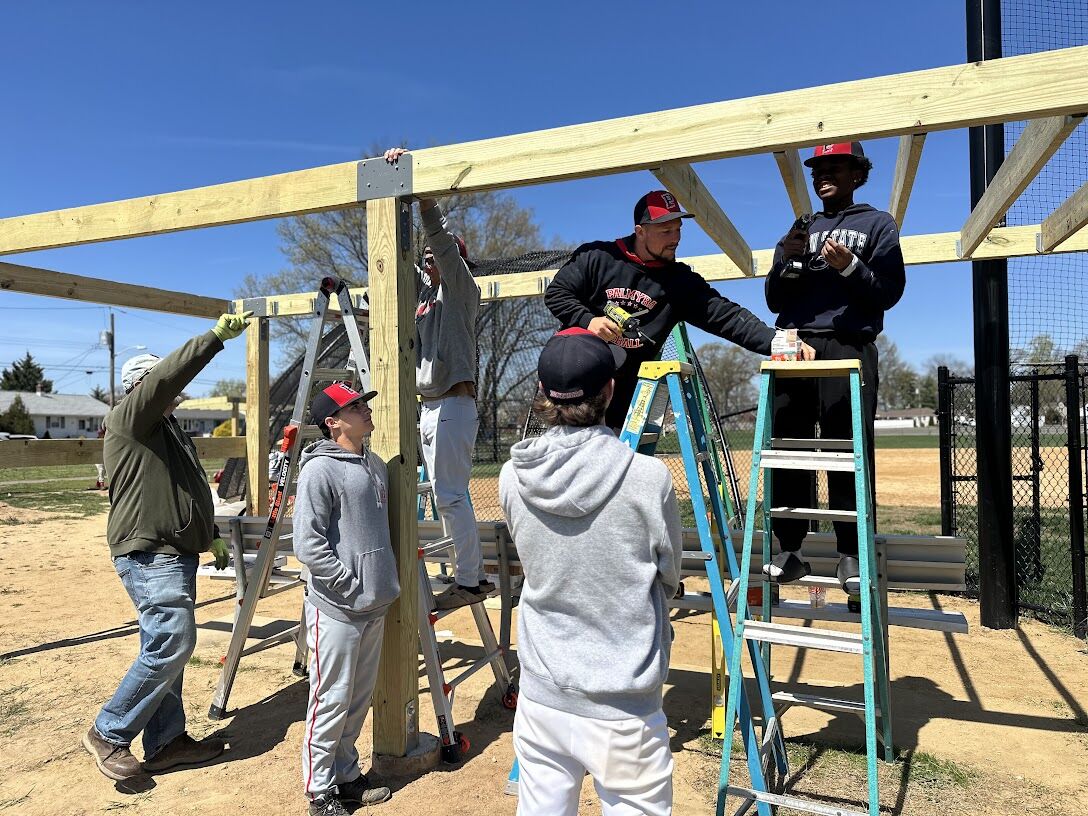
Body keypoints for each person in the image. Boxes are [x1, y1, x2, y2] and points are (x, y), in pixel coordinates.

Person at [499, 328, 684, 816]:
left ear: (543, 397)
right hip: (623, 703)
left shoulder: (512, 476)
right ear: (610, 391)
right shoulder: (647, 478)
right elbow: (668, 573)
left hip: (542, 692)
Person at [83, 313, 250, 781]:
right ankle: (109, 732)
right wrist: (213, 340)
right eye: (162, 387)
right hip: (149, 551)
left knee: (165, 644)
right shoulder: (131, 418)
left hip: (173, 550)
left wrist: (208, 534)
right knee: (172, 641)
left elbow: (185, 488)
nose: (174, 394)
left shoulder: (168, 432)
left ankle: (166, 741)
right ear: (143, 389)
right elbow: (163, 379)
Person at [763, 141, 906, 593]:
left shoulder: (877, 223)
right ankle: (788, 552)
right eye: (817, 168)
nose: (823, 175)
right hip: (795, 344)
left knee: (848, 452)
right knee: (787, 449)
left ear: (857, 174)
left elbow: (888, 292)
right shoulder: (801, 226)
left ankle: (851, 556)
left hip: (849, 344)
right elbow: (773, 300)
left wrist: (851, 269)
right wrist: (786, 260)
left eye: (835, 167)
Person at [544, 190, 814, 429]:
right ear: (640, 231)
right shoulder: (599, 257)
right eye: (665, 232)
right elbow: (556, 294)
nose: (675, 239)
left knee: (614, 468)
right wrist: (588, 321)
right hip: (575, 389)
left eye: (678, 230)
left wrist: (780, 343)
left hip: (627, 392)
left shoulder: (679, 282)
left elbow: (728, 317)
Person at [383, 146, 490, 612]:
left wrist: (425, 204)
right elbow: (397, 260)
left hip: (452, 402)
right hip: (429, 406)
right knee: (440, 496)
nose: (431, 262)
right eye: (426, 259)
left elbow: (443, 250)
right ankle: (461, 574)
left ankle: (471, 579)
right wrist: (393, 199)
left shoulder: (461, 290)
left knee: (449, 495)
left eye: (437, 258)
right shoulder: (425, 300)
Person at [294, 382, 400, 815]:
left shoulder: (372, 462)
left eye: (363, 404)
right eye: (354, 406)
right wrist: (347, 582)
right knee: (330, 696)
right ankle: (320, 791)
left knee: (357, 697)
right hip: (337, 606)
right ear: (332, 421)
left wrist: (376, 585)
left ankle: (346, 775)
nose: (365, 410)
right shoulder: (319, 470)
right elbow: (307, 542)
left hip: (374, 603)